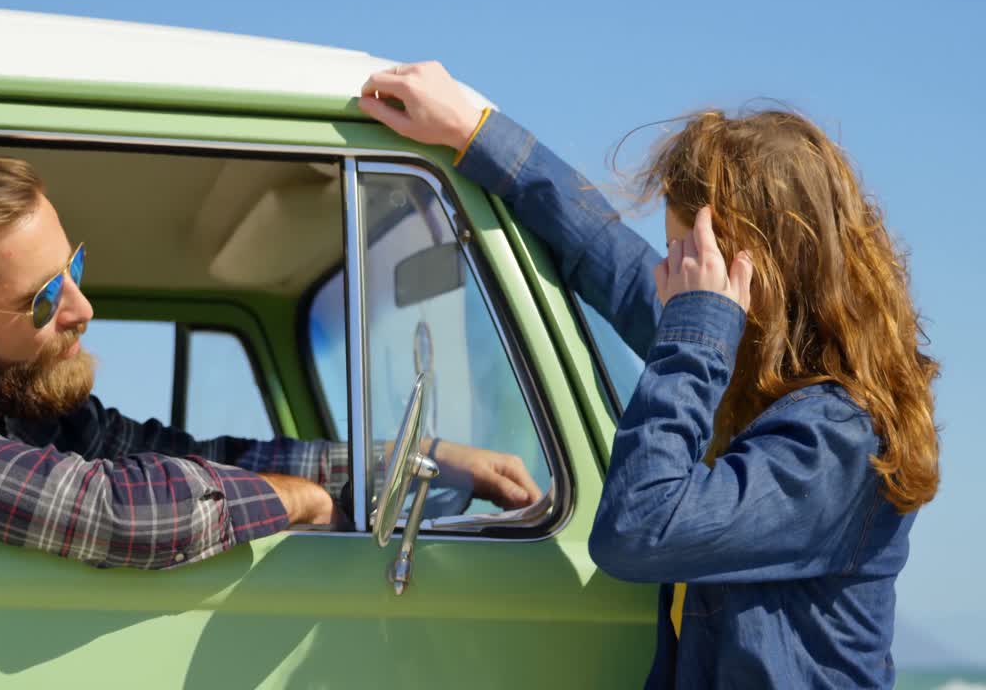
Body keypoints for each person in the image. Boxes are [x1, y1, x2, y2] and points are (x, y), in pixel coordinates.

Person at [360, 62, 938, 688]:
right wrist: (476, 133)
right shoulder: (751, 373)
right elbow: (600, 253)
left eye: (687, 257)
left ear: (762, 271)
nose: (669, 276)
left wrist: (696, 327)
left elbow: (638, 527)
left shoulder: (838, 441)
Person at [0, 143, 542, 570]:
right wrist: (298, 503)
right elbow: (108, 513)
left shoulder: (24, 408)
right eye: (46, 299)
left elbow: (201, 456)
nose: (82, 309)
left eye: (72, 268)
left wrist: (412, 458)